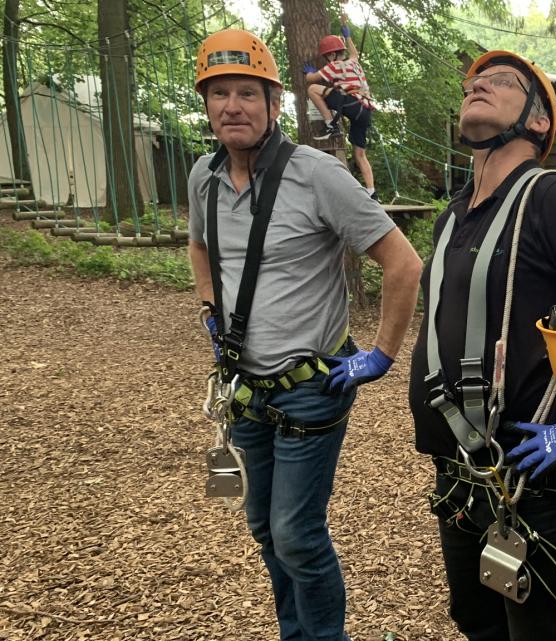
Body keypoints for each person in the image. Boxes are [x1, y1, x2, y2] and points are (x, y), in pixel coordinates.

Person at [407, 50, 556, 641]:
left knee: (540, 630)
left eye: (499, 82)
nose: (478, 87)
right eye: (474, 82)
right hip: (460, 466)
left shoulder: (554, 199)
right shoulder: (452, 217)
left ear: (539, 121)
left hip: (534, 475)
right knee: (476, 619)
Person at [187, 29, 423, 641]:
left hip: (308, 386)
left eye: (246, 93)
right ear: (206, 105)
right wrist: (209, 308)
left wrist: (381, 355)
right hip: (244, 386)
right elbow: (197, 244)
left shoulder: (316, 175)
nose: (231, 106)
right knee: (264, 526)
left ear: (271, 105)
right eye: (219, 94)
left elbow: (402, 263)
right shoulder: (203, 179)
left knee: (296, 532)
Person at [303, 13, 379, 199]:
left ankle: (331, 124)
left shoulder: (333, 65)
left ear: (331, 54)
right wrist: (348, 35)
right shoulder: (353, 62)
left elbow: (311, 79)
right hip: (365, 110)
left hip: (351, 103)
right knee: (360, 154)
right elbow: (354, 53)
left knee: (313, 88)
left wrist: (310, 73)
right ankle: (372, 192)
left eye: (327, 56)